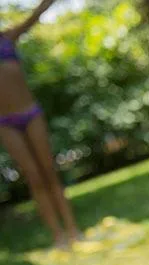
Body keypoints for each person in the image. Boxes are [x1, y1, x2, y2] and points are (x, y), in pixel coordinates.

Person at [0, 0, 81, 248]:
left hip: (30, 113)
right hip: (5, 123)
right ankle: (58, 236)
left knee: (49, 171)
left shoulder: (8, 38)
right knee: (34, 178)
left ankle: (73, 229)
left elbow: (37, 13)